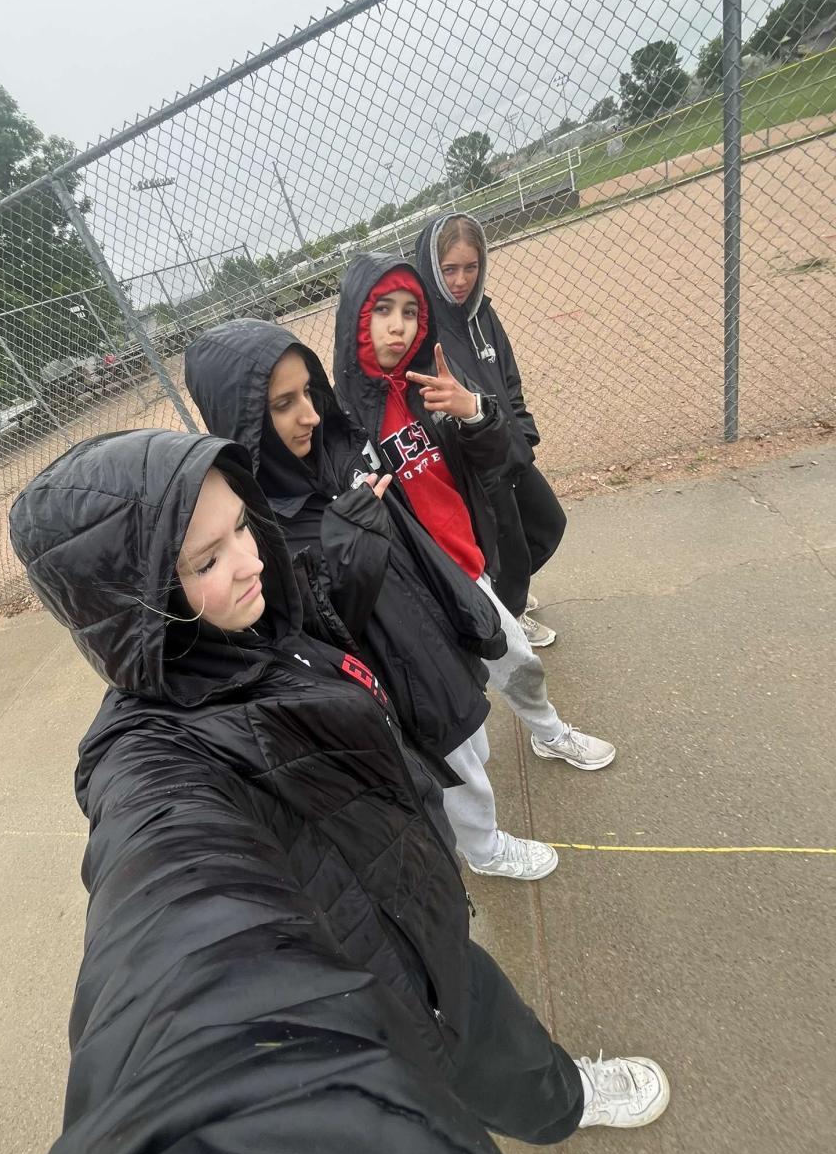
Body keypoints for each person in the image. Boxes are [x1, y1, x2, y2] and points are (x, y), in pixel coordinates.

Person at [9, 428, 669, 1154]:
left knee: (501, 1034)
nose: (250, 560)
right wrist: (213, 1115)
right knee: (472, 1055)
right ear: (134, 601)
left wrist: (353, 538)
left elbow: (329, 615)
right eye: (206, 560)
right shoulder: (154, 759)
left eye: (242, 526)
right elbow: (169, 913)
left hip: (418, 920)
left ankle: (565, 1098)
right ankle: (560, 1101)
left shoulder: (259, 629)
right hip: (377, 995)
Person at [185, 317, 555, 880]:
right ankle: (485, 851)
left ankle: (480, 827)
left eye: (308, 391)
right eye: (283, 404)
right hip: (395, 675)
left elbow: (415, 531)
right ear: (243, 419)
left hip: (433, 627)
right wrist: (349, 552)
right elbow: (310, 639)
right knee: (456, 771)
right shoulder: (256, 528)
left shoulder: (342, 450)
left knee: (473, 742)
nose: (310, 414)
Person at [334, 253, 615, 772]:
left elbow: (492, 462)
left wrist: (476, 414)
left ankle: (548, 733)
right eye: (382, 310)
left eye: (411, 312)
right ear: (356, 318)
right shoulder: (343, 419)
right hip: (421, 580)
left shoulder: (432, 384)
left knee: (517, 661)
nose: (398, 326)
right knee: (454, 708)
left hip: (468, 560)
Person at [415, 212, 567, 647]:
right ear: (432, 267)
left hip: (510, 445)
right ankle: (509, 614)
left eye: (471, 267)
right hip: (478, 460)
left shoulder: (483, 313)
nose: (461, 280)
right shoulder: (426, 332)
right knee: (508, 547)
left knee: (549, 524)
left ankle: (504, 595)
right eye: (449, 269)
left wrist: (524, 432)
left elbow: (508, 378)